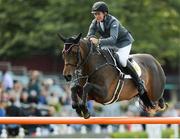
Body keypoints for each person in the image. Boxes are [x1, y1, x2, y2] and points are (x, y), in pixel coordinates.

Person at [87, 1, 154, 108]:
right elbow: (89, 36)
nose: (96, 16)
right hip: (108, 44)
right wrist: (88, 40)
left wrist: (98, 41)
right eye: (95, 14)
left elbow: (113, 40)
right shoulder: (95, 22)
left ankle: (139, 83)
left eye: (98, 14)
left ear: (105, 13)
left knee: (122, 60)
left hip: (123, 43)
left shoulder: (113, 22)